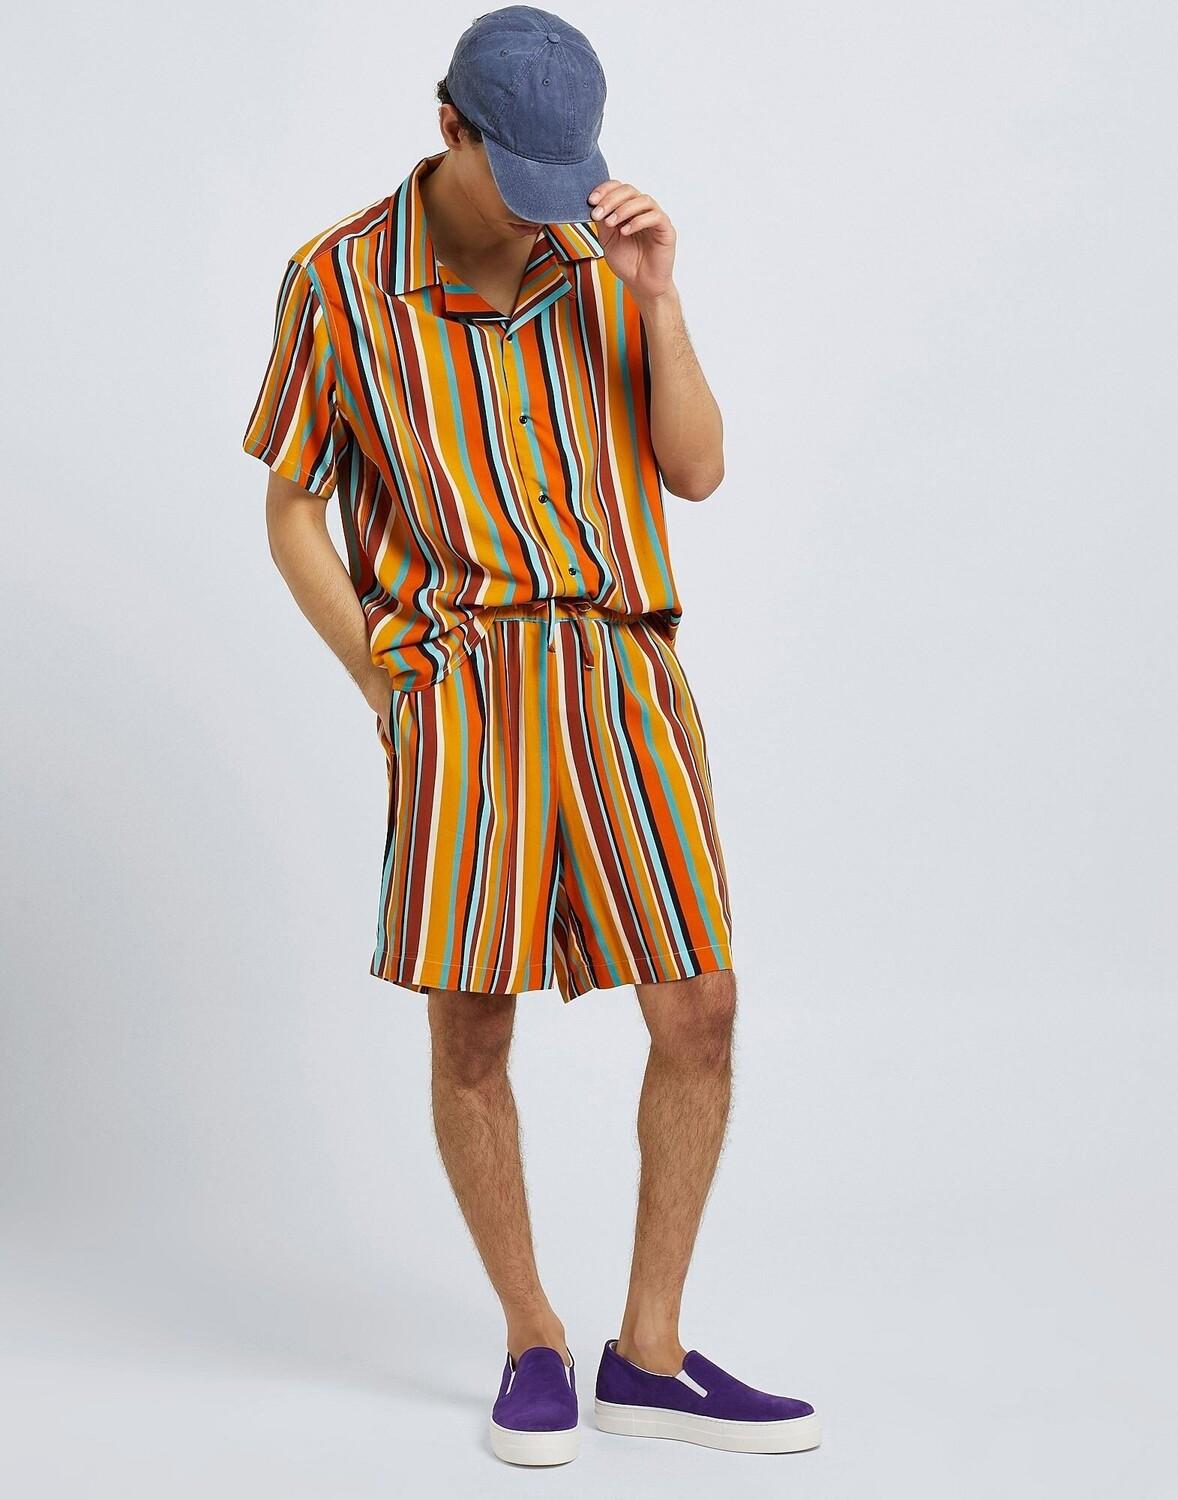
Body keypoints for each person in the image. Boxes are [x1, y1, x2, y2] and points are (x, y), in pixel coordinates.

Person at [241, 4, 819, 1468]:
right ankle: (531, 1337)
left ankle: (651, 1353)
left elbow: (696, 471)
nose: (545, 202)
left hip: (621, 671)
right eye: (519, 171)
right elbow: (291, 506)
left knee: (699, 1007)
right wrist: (386, 678)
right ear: (449, 124)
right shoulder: (337, 281)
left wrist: (659, 298)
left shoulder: (598, 256)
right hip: (462, 681)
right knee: (474, 1022)